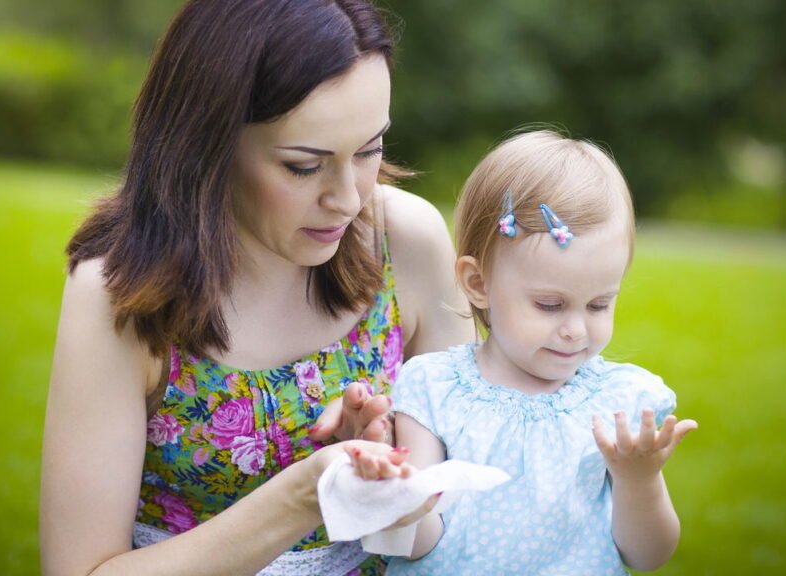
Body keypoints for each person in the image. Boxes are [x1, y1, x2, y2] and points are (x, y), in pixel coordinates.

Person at [39, 1, 472, 574]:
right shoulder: (118, 293)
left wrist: (394, 463)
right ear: (207, 143)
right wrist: (305, 495)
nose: (347, 198)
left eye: (369, 150)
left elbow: (472, 499)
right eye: (302, 165)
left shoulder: (405, 242)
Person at [384, 129, 698, 575]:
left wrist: (639, 480)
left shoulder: (615, 404)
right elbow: (414, 544)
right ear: (478, 283)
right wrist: (393, 496)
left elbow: (648, 555)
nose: (575, 330)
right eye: (550, 305)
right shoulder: (433, 390)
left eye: (598, 304)